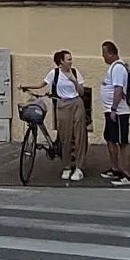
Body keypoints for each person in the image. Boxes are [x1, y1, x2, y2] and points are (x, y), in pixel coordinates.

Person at [47, 50, 89, 184]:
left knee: (79, 135)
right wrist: (26, 87)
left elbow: (82, 92)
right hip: (63, 104)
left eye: (71, 59)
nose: (71, 61)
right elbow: (42, 84)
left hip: (76, 103)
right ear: (61, 62)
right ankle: (66, 166)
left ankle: (79, 167)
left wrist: (74, 80)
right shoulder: (55, 73)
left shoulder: (75, 72)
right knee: (65, 136)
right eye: (68, 59)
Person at [99, 40, 130, 185]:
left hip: (119, 112)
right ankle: (115, 168)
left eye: (104, 54)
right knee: (110, 138)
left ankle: (126, 174)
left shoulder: (118, 68)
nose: (103, 57)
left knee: (122, 142)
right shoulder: (114, 67)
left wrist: (113, 109)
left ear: (110, 53)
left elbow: (118, 91)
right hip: (111, 111)